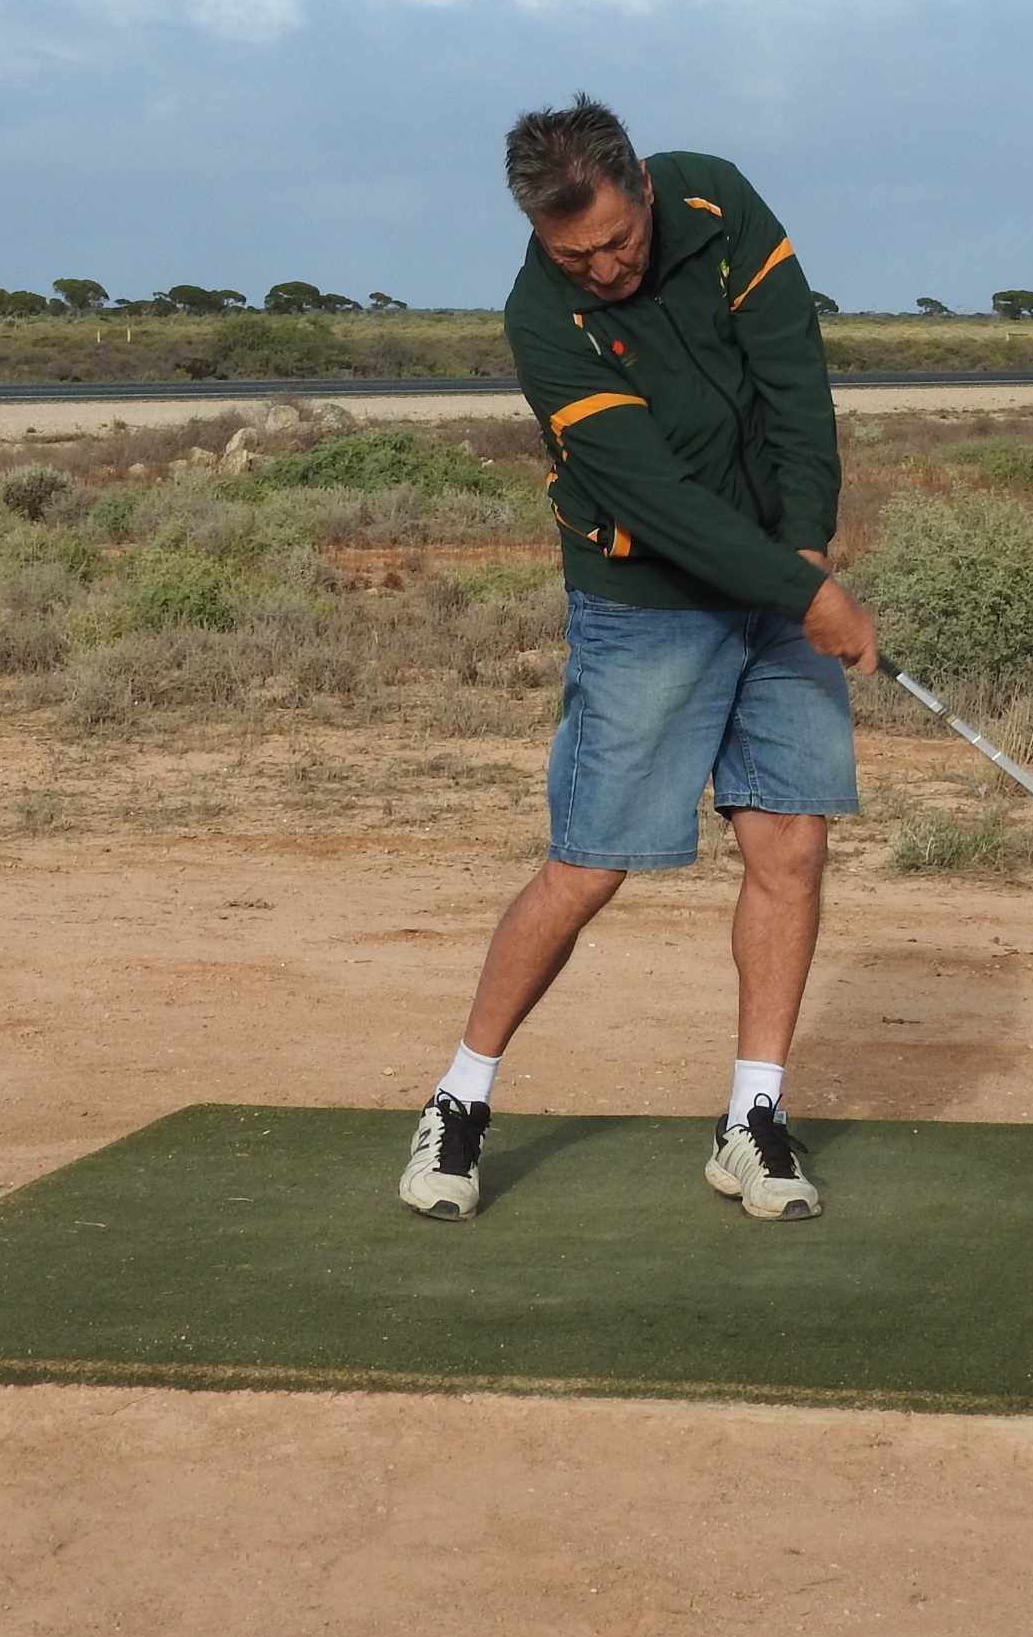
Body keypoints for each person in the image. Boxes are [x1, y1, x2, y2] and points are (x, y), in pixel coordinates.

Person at [399, 95, 880, 1225]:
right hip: (647, 601)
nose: (605, 268)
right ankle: (459, 1101)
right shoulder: (542, 320)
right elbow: (656, 502)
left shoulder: (716, 201)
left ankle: (752, 1122)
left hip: (775, 581)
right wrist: (805, 589)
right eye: (577, 254)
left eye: (617, 241)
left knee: (791, 844)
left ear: (645, 191)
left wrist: (805, 544)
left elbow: (795, 384)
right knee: (591, 865)